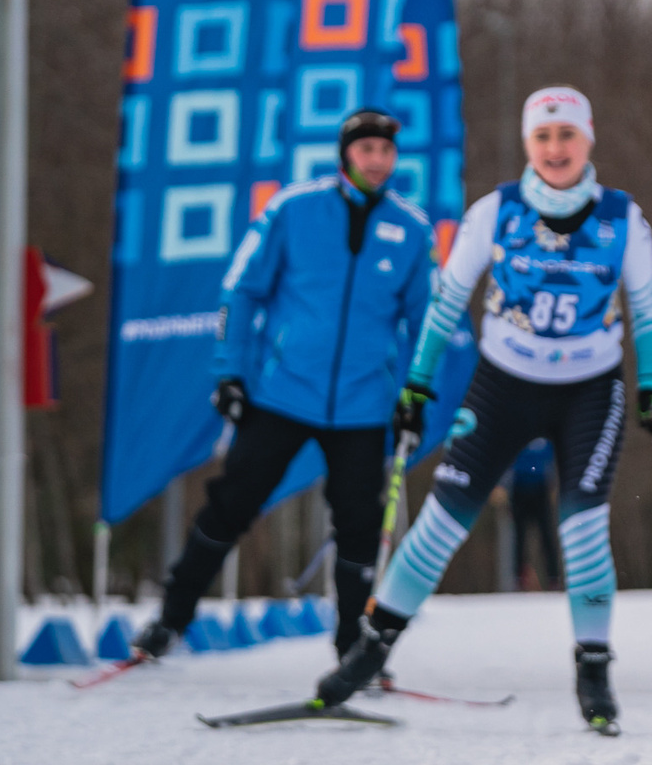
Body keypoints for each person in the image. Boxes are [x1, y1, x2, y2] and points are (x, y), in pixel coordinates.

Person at [311, 86, 652, 735]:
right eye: (543, 137)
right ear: (527, 144)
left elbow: (646, 307)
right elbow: (448, 299)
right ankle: (373, 647)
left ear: (587, 140)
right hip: (503, 384)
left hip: (590, 389)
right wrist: (417, 384)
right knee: (443, 518)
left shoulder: (623, 216)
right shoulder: (495, 211)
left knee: (583, 528)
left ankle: (593, 666)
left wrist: (651, 385)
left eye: (566, 135)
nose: (555, 149)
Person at [133, 109, 431, 661]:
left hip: (363, 404)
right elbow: (240, 292)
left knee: (361, 526)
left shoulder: (411, 230)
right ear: (346, 155)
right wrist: (230, 372)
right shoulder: (294, 210)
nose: (377, 161)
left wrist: (415, 392)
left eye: (386, 152)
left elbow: (425, 322)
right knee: (231, 504)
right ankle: (170, 622)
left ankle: (353, 649)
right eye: (366, 150)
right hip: (283, 394)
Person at [506, 438, 559, 589]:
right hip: (518, 489)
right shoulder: (517, 432)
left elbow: (555, 458)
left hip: (541, 489)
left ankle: (553, 578)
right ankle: (518, 578)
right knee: (519, 537)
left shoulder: (546, 437)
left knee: (547, 535)